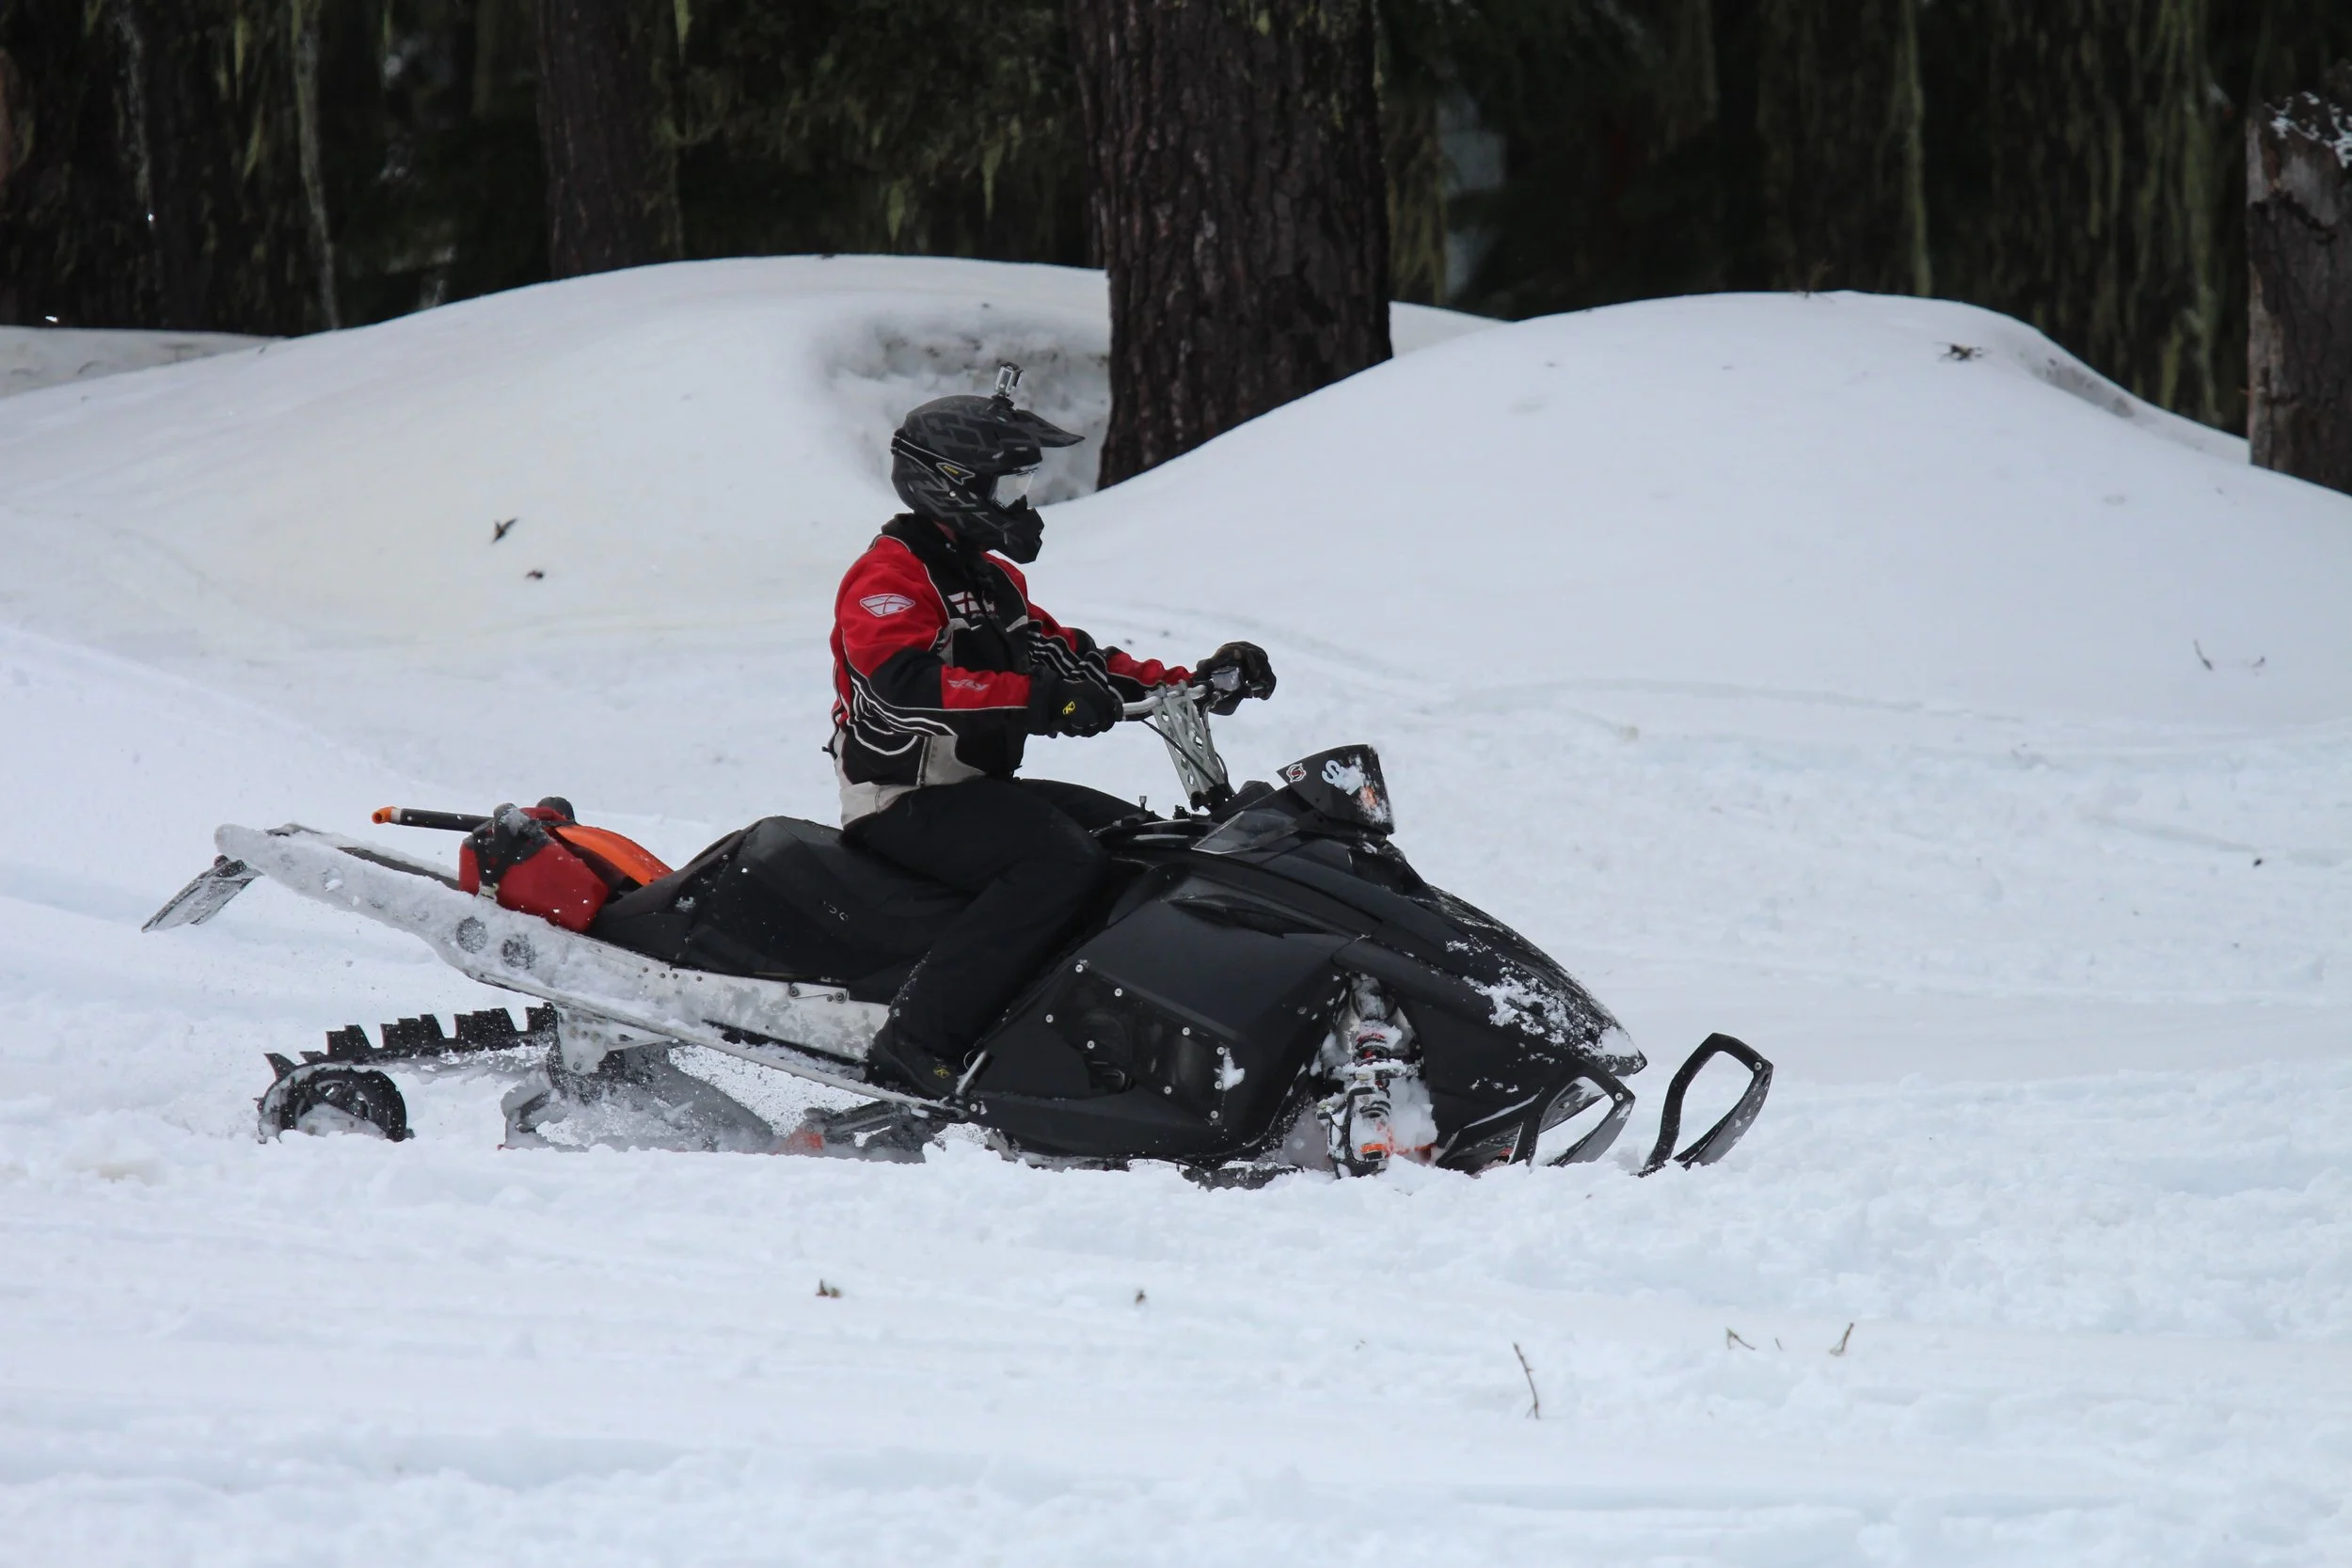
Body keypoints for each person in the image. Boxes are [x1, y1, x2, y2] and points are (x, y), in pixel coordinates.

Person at [831, 367, 1274, 1095]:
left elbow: (1072, 657)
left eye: (1023, 485)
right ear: (951, 485)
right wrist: (1039, 702)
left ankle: (1083, 1031)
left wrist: (1193, 682)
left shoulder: (990, 581)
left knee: (1143, 842)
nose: (1021, 502)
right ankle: (916, 1041)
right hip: (901, 797)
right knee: (1057, 862)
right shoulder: (891, 576)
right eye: (1008, 486)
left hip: (975, 791)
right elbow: (901, 683)